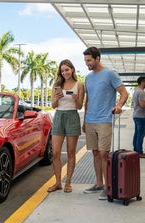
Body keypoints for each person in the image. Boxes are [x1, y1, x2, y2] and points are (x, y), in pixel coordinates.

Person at [82, 47, 128, 200]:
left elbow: (124, 92)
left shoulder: (110, 73)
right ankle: (99, 184)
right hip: (90, 120)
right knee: (95, 153)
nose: (87, 64)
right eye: (85, 61)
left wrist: (119, 105)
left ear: (97, 58)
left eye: (89, 60)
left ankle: (108, 187)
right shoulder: (88, 78)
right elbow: (87, 101)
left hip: (104, 120)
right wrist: (84, 120)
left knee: (103, 153)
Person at [47, 59, 85, 193]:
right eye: (62, 71)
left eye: (67, 70)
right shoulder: (57, 85)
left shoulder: (79, 85)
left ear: (72, 69)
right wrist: (56, 98)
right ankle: (58, 182)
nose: (65, 73)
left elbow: (80, 106)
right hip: (59, 116)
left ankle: (68, 182)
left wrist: (75, 99)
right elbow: (53, 105)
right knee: (56, 152)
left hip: (72, 117)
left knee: (70, 152)